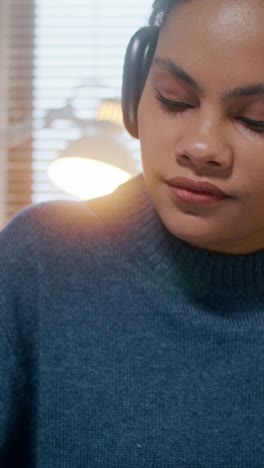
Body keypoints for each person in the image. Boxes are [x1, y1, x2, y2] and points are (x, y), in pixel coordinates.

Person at [1, 0, 264, 465]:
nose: (201, 148)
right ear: (135, 90)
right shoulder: (39, 263)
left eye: (255, 119)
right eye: (174, 99)